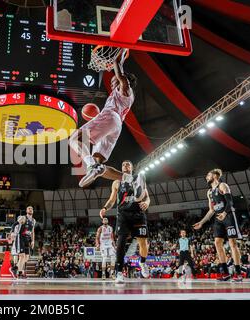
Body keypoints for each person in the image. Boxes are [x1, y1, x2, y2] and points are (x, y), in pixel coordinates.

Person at [69, 51, 137, 188]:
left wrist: (117, 59)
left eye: (113, 82)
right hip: (116, 126)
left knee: (74, 139)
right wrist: (120, 58)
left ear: (122, 81)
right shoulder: (125, 95)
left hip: (110, 116)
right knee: (99, 164)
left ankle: (91, 166)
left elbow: (121, 75)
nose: (112, 85)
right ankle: (129, 179)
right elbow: (120, 73)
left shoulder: (125, 89)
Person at [100, 160, 150, 284]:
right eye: (123, 164)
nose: (125, 166)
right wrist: (105, 208)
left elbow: (147, 196)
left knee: (143, 243)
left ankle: (142, 263)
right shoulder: (117, 182)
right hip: (123, 215)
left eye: (128, 164)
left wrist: (147, 203)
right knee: (120, 243)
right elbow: (112, 200)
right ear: (121, 168)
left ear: (132, 167)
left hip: (138, 214)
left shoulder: (139, 178)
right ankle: (119, 272)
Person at [193, 168, 243, 282]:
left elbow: (230, 202)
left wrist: (225, 213)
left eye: (208, 175)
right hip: (217, 219)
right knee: (217, 243)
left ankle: (238, 273)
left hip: (228, 215)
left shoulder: (222, 186)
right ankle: (225, 273)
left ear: (215, 176)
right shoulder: (209, 192)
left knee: (232, 243)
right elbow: (211, 210)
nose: (206, 177)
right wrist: (201, 222)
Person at [9, 215, 26, 279]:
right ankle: (15, 269)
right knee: (20, 256)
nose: (24, 219)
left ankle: (16, 270)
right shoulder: (18, 223)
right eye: (22, 218)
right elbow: (13, 225)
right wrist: (12, 233)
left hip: (20, 240)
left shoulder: (22, 225)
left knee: (23, 257)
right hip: (18, 239)